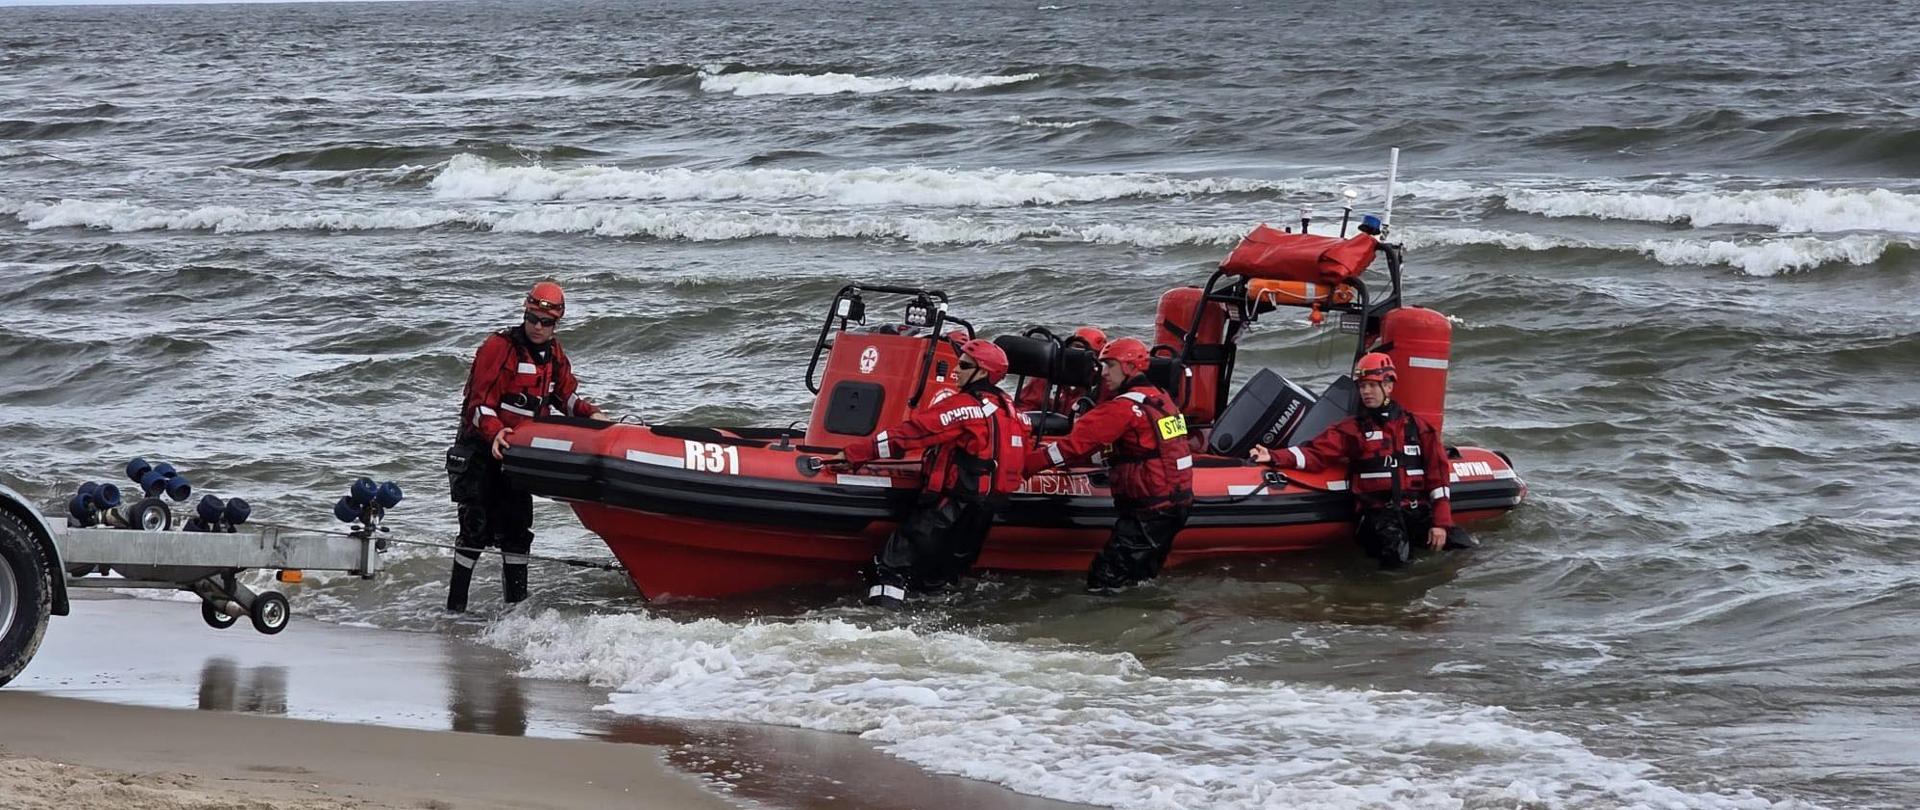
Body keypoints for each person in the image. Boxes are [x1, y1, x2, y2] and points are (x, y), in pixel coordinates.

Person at [824, 339, 1030, 608]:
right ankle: (928, 622)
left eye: (965, 365)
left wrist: (854, 454)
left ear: (983, 373)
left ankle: (879, 624)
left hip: (948, 508)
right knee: (937, 577)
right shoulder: (1015, 414)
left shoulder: (964, 407)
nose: (956, 370)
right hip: (982, 516)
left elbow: (911, 434)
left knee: (889, 566)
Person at [445, 280, 606, 612]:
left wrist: (595, 415)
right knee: (474, 531)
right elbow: (479, 404)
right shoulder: (499, 347)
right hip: (480, 451)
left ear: (556, 324)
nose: (537, 327)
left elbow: (567, 397)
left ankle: (513, 612)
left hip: (517, 455)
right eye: (533, 319)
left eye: (546, 323)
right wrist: (495, 432)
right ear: (525, 313)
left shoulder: (554, 355)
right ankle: (454, 611)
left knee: (518, 533)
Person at [1250, 352, 1466, 568]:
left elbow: (1438, 478)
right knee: (1396, 559)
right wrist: (1274, 456)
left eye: (1372, 385)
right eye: (1362, 386)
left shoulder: (1418, 427)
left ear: (1389, 386)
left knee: (1462, 545)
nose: (1366, 392)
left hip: (1415, 510)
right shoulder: (1351, 430)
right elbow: (1315, 454)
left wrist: (1441, 523)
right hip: (1378, 514)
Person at [1025, 337, 1193, 592]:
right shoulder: (1162, 400)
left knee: (1104, 580)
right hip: (1175, 505)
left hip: (1149, 509)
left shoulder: (1123, 409)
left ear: (1129, 367)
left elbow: (1071, 447)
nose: (1103, 374)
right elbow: (1143, 447)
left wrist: (1024, 466)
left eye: (1109, 366)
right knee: (1140, 578)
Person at [1015, 326, 1107, 413]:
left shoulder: (1101, 386)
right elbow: (1024, 406)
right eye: (1075, 348)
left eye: (1084, 351)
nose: (1077, 355)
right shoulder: (1047, 376)